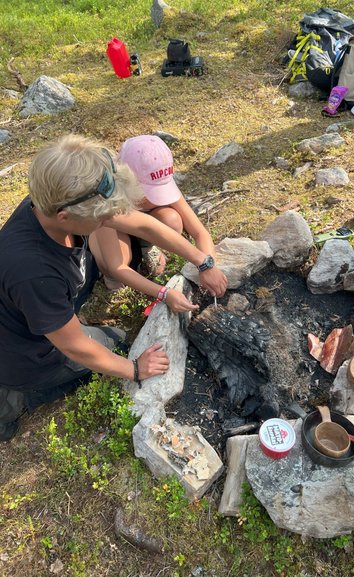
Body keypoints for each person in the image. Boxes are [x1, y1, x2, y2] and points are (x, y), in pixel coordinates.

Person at [0, 134, 227, 441]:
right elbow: (75, 346)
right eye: (103, 217)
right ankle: (15, 398)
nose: (111, 219)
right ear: (65, 216)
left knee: (109, 340)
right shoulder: (34, 272)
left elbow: (144, 225)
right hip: (28, 353)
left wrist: (203, 262)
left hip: (35, 316)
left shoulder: (51, 203)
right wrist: (135, 369)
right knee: (117, 346)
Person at [90, 134, 222, 312]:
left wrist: (209, 267)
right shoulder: (105, 199)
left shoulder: (154, 174)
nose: (155, 199)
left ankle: (147, 247)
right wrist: (163, 293)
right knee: (117, 261)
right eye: (149, 192)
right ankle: (110, 277)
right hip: (110, 233)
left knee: (172, 219)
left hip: (143, 229)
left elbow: (199, 232)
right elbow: (117, 266)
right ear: (126, 178)